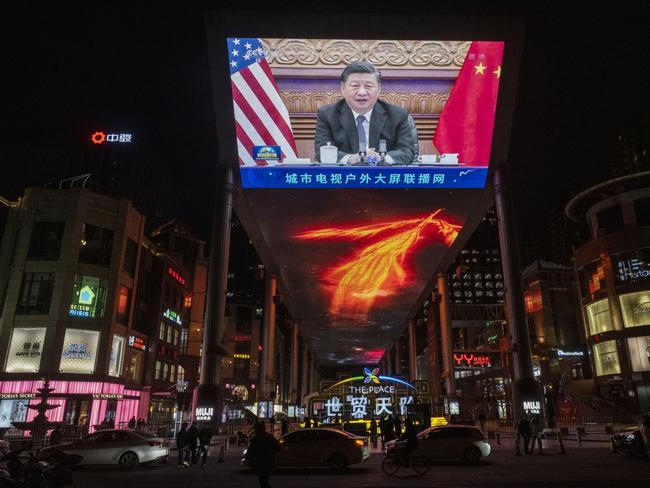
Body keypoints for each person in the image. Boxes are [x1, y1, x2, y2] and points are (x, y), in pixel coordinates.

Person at [314, 61, 415, 166]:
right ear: (343, 88)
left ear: (379, 89)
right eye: (355, 86)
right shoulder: (327, 115)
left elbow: (407, 151)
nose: (362, 92)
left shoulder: (397, 115)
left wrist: (382, 158)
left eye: (368, 86)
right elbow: (322, 151)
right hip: (345, 177)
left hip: (383, 177)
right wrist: (350, 158)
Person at [247, 421, 280, 488]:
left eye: (255, 429)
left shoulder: (255, 439)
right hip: (269, 462)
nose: (255, 431)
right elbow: (278, 448)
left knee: (262, 480)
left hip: (261, 463)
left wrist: (250, 458)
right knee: (263, 480)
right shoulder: (269, 437)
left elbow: (250, 452)